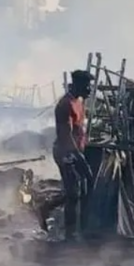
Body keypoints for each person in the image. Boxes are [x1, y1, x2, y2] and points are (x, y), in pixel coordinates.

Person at [53, 69, 94, 241]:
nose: (90, 89)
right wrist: (78, 157)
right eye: (87, 86)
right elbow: (66, 135)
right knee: (73, 193)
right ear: (77, 85)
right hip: (65, 152)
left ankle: (78, 229)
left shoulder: (79, 101)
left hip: (75, 150)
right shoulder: (65, 105)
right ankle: (69, 235)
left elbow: (79, 129)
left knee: (81, 190)